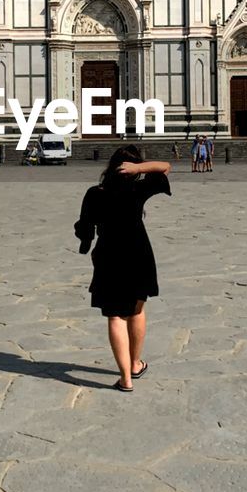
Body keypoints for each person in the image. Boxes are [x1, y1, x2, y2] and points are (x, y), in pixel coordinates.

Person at [74, 146, 171, 392]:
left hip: (109, 256)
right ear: (130, 169)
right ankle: (136, 364)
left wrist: (85, 241)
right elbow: (165, 167)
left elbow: (84, 227)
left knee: (115, 315)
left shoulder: (95, 193)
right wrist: (139, 168)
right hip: (138, 254)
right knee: (137, 310)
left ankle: (125, 378)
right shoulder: (138, 189)